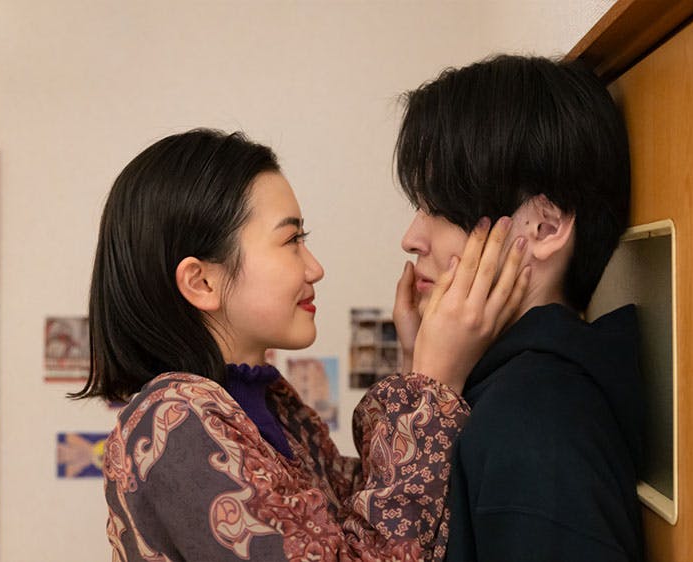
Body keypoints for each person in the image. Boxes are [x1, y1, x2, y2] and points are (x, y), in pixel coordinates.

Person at [71, 128, 530, 561]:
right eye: (292, 240)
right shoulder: (174, 422)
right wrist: (430, 386)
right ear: (202, 281)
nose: (314, 268)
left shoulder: (276, 411)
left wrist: (418, 371)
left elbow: (366, 515)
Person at [392, 55, 645, 561]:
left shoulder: (533, 423)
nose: (412, 238)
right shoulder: (500, 393)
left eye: (440, 208)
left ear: (545, 228)